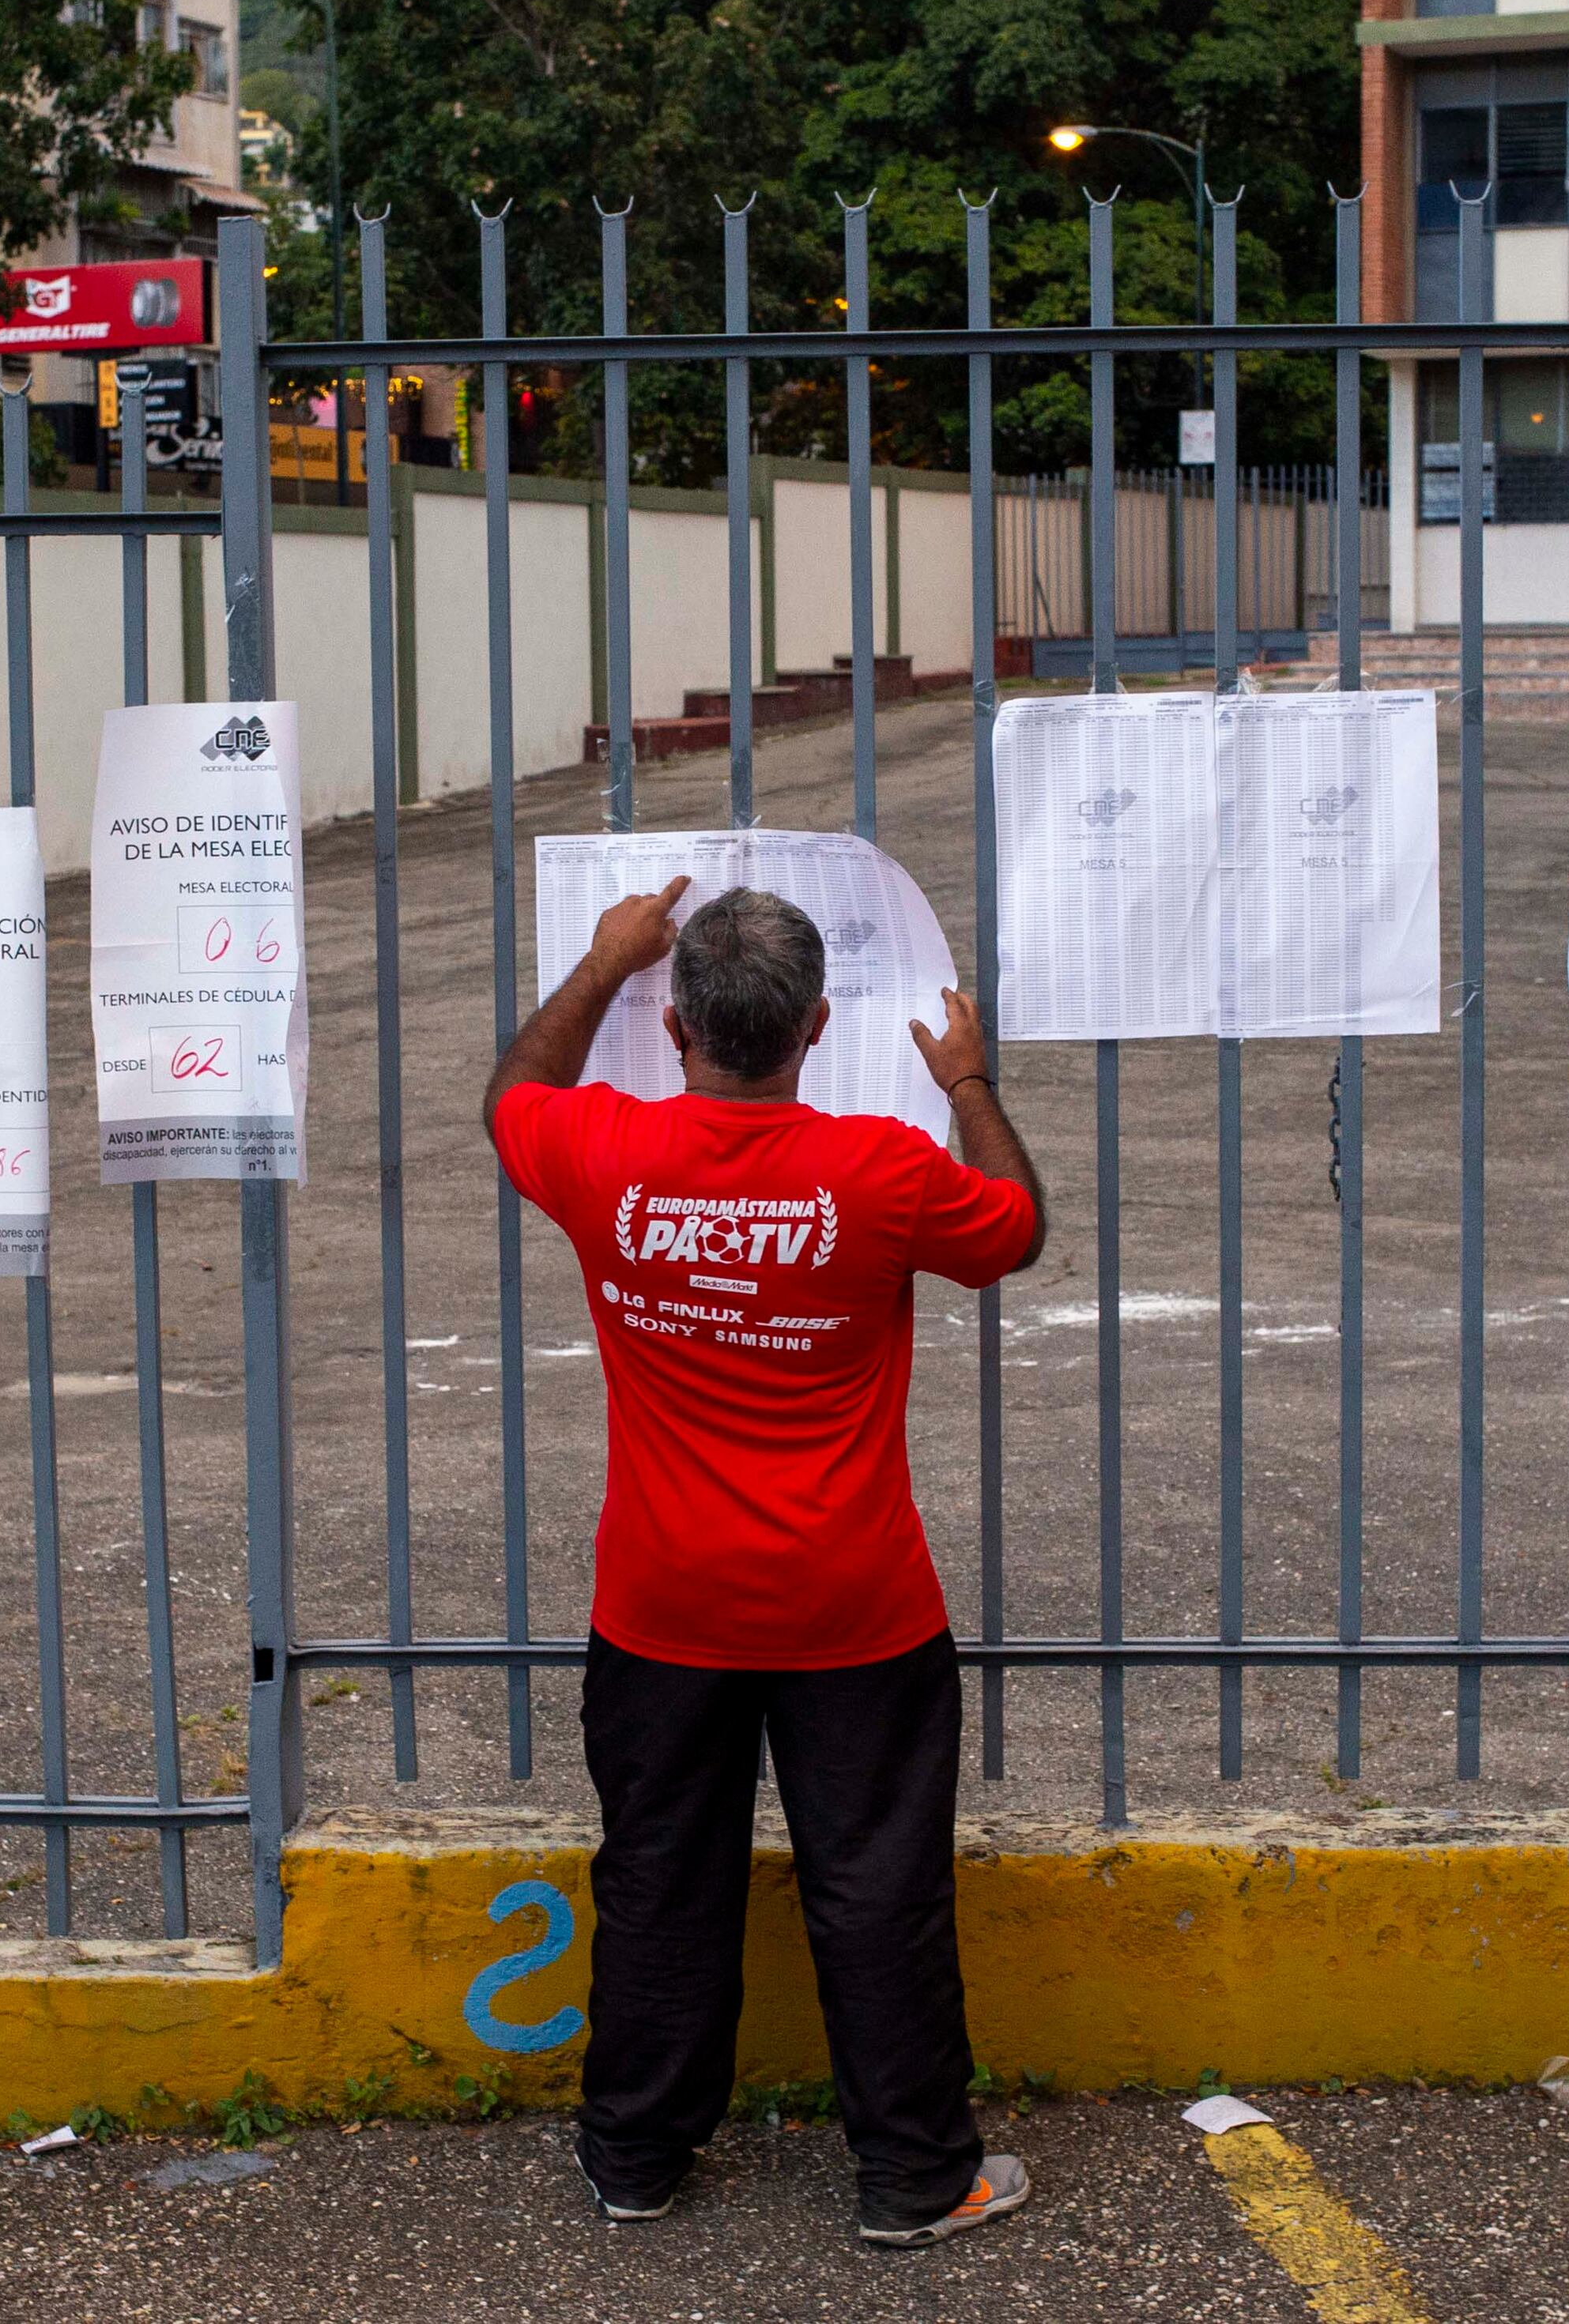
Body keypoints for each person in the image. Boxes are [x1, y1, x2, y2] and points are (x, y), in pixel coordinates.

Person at [485, 876, 1048, 2248]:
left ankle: (636, 2155)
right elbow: (1016, 1223)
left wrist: (601, 961)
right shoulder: (880, 1170)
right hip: (854, 1606)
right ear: (818, 1027)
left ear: (673, 1024)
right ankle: (918, 2175)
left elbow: (512, 1091)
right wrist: (969, 1080)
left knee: (662, 1875)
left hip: (663, 1602)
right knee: (878, 1887)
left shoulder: (602, 1154)